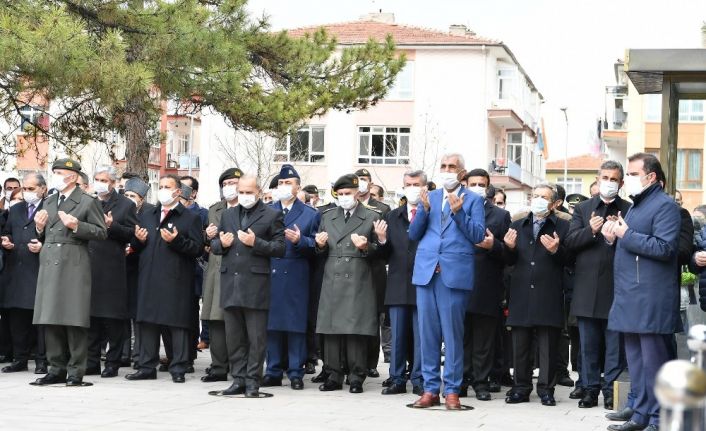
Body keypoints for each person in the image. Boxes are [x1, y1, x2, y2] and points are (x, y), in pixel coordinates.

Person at [603, 153, 680, 431]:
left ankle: (661, 419)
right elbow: (632, 245)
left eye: (634, 174)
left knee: (655, 364)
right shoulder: (636, 206)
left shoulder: (665, 206)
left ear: (651, 177)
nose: (629, 179)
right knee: (636, 361)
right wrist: (613, 239)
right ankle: (641, 415)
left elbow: (664, 248)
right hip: (630, 295)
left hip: (651, 297)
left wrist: (626, 235)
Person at [409, 153, 485, 410]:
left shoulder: (473, 200)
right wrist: (424, 211)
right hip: (427, 272)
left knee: (453, 335)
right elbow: (413, 234)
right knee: (427, 334)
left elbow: (477, 235)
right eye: (443, 166)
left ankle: (452, 390)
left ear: (462, 173)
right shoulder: (428, 197)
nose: (447, 170)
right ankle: (430, 389)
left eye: (452, 167)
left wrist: (459, 213)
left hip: (454, 274)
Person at [30, 159, 108, 386]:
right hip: (50, 262)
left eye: (60, 172)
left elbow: (101, 232)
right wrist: (39, 227)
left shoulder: (86, 201)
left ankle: (75, 371)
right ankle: (56, 369)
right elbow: (46, 235)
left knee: (74, 318)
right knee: (50, 317)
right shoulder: (50, 200)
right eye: (54, 172)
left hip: (74, 262)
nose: (55, 176)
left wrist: (77, 226)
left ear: (72, 177)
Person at [210, 175, 285, 397]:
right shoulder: (228, 214)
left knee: (256, 338)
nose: (244, 196)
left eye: (248, 192)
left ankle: (253, 381)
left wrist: (256, 243)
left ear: (259, 191)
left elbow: (280, 248)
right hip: (230, 282)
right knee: (233, 337)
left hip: (256, 284)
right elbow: (215, 245)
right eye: (241, 191)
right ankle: (238, 380)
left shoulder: (272, 214)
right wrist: (219, 244)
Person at [564, 161, 631, 410]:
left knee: (615, 347)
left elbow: (636, 244)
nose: (609, 183)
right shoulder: (582, 209)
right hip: (587, 288)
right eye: (605, 177)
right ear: (598, 178)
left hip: (617, 288)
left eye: (614, 179)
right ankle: (589, 390)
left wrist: (615, 240)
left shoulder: (628, 209)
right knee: (588, 346)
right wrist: (591, 232)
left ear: (621, 183)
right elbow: (570, 242)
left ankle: (611, 391)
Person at [125, 174, 203, 384]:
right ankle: (146, 366)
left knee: (176, 324)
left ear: (178, 191)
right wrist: (137, 241)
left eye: (168, 186)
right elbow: (137, 243)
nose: (164, 190)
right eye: (161, 186)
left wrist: (177, 240)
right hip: (148, 276)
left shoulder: (190, 217)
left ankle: (178, 367)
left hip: (175, 279)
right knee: (147, 323)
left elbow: (197, 249)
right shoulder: (148, 213)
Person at [503, 183, 572, 407]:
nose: (538, 200)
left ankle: (546, 389)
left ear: (554, 204)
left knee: (548, 345)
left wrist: (556, 251)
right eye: (535, 196)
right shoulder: (517, 225)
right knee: (520, 344)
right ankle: (520, 387)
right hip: (521, 291)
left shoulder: (563, 226)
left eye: (544, 197)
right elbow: (508, 262)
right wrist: (509, 248)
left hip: (548, 291)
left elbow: (570, 260)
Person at [314, 173, 384, 394]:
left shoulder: (372, 216)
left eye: (348, 193)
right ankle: (333, 374)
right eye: (340, 194)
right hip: (332, 277)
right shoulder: (327, 216)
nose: (344, 197)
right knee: (332, 329)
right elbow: (321, 248)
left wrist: (366, 247)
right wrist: (320, 245)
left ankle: (356, 376)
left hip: (358, 277)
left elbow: (380, 254)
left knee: (355, 330)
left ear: (357, 193)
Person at [262, 165, 320, 390]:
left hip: (296, 275)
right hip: (271, 273)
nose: (284, 187)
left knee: (296, 326)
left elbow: (317, 246)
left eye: (288, 183)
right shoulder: (267, 210)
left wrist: (301, 241)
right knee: (272, 325)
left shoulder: (310, 214)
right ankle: (273, 370)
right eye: (280, 184)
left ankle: (296, 371)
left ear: (298, 187)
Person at [461, 169, 511, 401]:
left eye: (482, 184)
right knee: (460, 338)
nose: (478, 187)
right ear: (465, 184)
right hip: (457, 283)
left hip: (487, 284)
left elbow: (510, 256)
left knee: (484, 340)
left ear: (488, 187)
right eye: (473, 183)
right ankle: (459, 381)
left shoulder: (500, 216)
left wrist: (494, 246)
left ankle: (481, 382)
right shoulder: (454, 209)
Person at [86, 166, 138, 378]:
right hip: (89, 266)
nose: (100, 183)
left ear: (114, 183)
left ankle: (113, 362)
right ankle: (90, 361)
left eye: (104, 179)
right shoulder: (89, 202)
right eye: (97, 179)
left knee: (113, 320)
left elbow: (133, 235)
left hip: (113, 268)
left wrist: (112, 226)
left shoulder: (125, 205)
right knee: (91, 319)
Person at [378, 170, 427, 396]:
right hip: (398, 283)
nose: (412, 188)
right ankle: (396, 378)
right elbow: (385, 253)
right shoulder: (393, 216)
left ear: (424, 187)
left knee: (421, 336)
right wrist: (380, 240)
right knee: (397, 336)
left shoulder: (431, 213)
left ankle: (419, 378)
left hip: (424, 283)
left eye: (416, 184)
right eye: (408, 184)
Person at [0, 173, 48, 374]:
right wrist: (7, 241)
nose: (27, 193)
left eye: (31, 189)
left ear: (43, 189)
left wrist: (42, 244)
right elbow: (9, 231)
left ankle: (42, 360)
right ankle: (19, 358)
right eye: (24, 189)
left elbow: (55, 236)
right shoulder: (17, 209)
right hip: (16, 270)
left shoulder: (50, 208)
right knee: (17, 318)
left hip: (38, 270)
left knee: (39, 321)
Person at [200, 168, 242, 383]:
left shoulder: (249, 208)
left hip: (239, 271)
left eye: (233, 183)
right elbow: (207, 241)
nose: (229, 187)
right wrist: (206, 236)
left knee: (236, 320)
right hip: (216, 270)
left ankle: (238, 367)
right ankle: (218, 366)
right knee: (215, 320)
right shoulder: (214, 209)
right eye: (225, 184)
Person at [354, 168, 391, 375]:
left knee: (373, 317)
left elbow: (385, 243)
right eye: (358, 179)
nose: (361, 183)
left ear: (370, 184)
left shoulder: (381, 209)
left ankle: (370, 363)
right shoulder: (344, 205)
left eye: (364, 180)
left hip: (374, 269)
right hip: (352, 269)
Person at [122, 178, 153, 367]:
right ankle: (123, 353)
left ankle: (139, 354)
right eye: (126, 195)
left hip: (141, 268)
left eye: (133, 196)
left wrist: (134, 246)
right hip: (122, 268)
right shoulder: (120, 210)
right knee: (123, 313)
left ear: (141, 199)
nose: (129, 199)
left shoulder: (149, 213)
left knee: (138, 314)